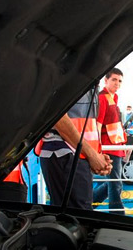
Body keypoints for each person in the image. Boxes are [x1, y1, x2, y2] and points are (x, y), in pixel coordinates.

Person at [39, 89, 111, 210]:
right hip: (65, 153)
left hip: (78, 154)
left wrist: (96, 157)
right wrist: (92, 156)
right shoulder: (74, 76)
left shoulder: (90, 84)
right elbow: (59, 117)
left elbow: (87, 127)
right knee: (78, 217)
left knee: (74, 217)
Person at [93, 68, 127, 210]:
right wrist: (98, 150)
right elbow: (97, 126)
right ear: (106, 81)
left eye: (119, 81)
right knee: (115, 184)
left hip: (117, 148)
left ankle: (88, 203)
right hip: (109, 149)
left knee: (113, 183)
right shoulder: (102, 98)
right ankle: (118, 216)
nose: (117, 83)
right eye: (114, 79)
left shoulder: (114, 97)